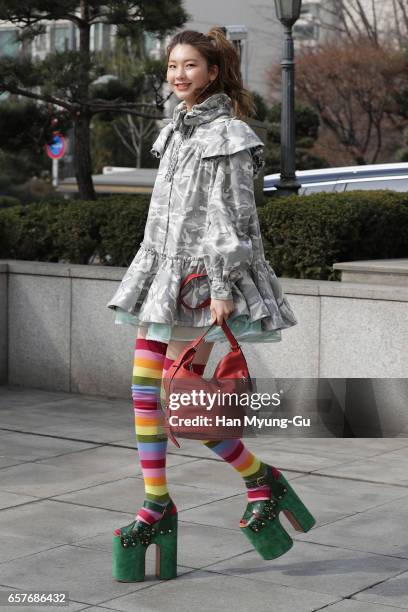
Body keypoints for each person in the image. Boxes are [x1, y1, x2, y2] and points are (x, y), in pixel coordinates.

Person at [108, 27, 315, 583]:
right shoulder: (174, 130)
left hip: (200, 282)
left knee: (188, 404)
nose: (178, 75)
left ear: (213, 72)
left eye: (190, 66)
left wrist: (223, 286)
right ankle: (160, 501)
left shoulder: (229, 133)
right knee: (146, 392)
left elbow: (234, 217)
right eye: (172, 66)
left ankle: (257, 477)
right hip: (163, 273)